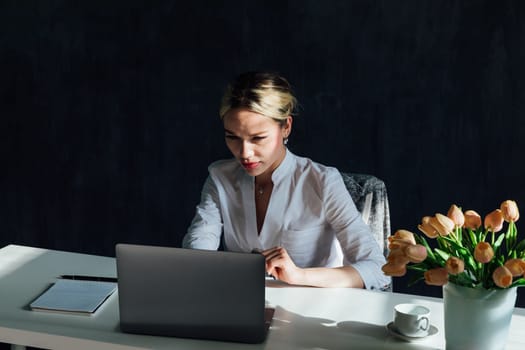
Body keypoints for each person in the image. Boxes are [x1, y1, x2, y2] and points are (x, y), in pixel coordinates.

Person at [182, 71, 389, 290]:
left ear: (286, 127)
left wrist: (300, 276)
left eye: (258, 138)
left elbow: (378, 270)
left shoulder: (322, 181)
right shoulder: (220, 177)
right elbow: (198, 248)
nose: (245, 153)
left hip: (311, 312)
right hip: (239, 308)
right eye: (232, 137)